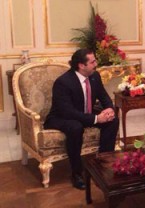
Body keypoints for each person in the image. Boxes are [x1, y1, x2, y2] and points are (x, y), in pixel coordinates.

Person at [44, 49, 119, 190]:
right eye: (93, 62)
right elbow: (67, 111)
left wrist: (109, 109)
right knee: (76, 127)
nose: (96, 64)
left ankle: (103, 163)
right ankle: (76, 173)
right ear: (81, 65)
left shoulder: (95, 76)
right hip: (61, 117)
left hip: (85, 113)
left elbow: (104, 96)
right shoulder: (63, 82)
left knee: (113, 120)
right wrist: (96, 118)